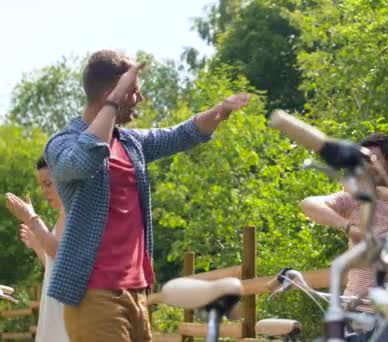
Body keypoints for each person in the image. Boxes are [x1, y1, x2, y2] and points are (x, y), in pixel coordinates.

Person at [43, 50, 251, 342]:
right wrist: (115, 100)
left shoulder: (130, 142)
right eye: (134, 91)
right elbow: (81, 162)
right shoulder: (62, 144)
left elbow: (181, 134)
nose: (140, 98)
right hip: (94, 294)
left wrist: (220, 109)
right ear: (110, 91)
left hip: (137, 291)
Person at [300, 133, 388, 342]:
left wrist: (379, 191)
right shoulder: (356, 199)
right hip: (351, 311)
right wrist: (349, 227)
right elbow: (308, 205)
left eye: (371, 159)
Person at [5, 157, 69, 342]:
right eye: (42, 185)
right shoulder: (62, 216)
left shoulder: (73, 214)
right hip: (56, 313)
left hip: (68, 317)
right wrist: (38, 246)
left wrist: (32, 219)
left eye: (48, 184)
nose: (44, 192)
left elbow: (62, 256)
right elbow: (55, 267)